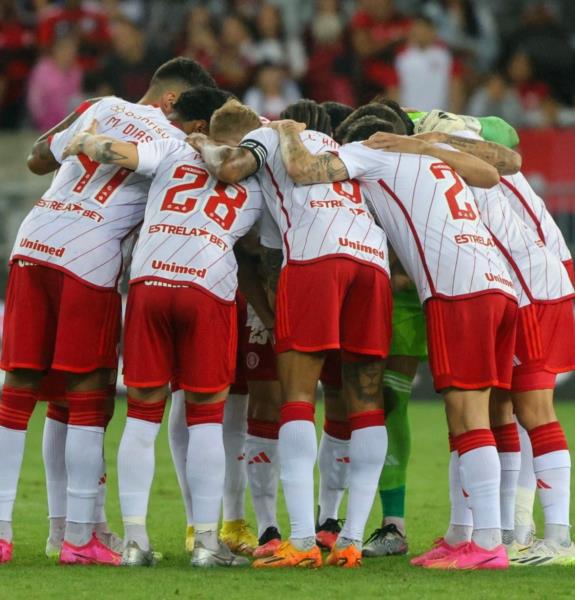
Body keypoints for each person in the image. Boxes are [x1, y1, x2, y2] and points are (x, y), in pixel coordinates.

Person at [270, 113, 520, 570]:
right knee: (467, 414)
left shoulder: (372, 152)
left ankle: (487, 544)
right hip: (498, 285)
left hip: (457, 289)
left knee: (469, 414)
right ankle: (465, 536)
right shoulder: (434, 160)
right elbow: (490, 173)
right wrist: (429, 144)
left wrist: (286, 129)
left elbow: (303, 170)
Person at [0, 57, 216, 566]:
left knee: (19, 390)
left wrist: (76, 139)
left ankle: (7, 531)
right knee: (87, 395)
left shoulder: (99, 105)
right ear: (172, 102)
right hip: (88, 256)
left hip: (32, 241)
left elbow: (36, 158)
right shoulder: (173, 137)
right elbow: (128, 155)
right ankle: (80, 537)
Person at [63, 85, 263, 568]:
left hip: (151, 281)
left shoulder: (174, 149)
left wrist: (86, 141)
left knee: (141, 414)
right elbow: (260, 252)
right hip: (207, 286)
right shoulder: (256, 179)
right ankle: (206, 543)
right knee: (206, 419)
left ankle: (134, 542)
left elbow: (128, 155)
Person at [191, 99, 392, 569]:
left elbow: (234, 171)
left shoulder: (264, 135)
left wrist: (201, 144)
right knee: (366, 400)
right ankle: (352, 540)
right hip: (371, 260)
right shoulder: (336, 147)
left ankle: (301, 542)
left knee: (297, 397)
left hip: (316, 257)